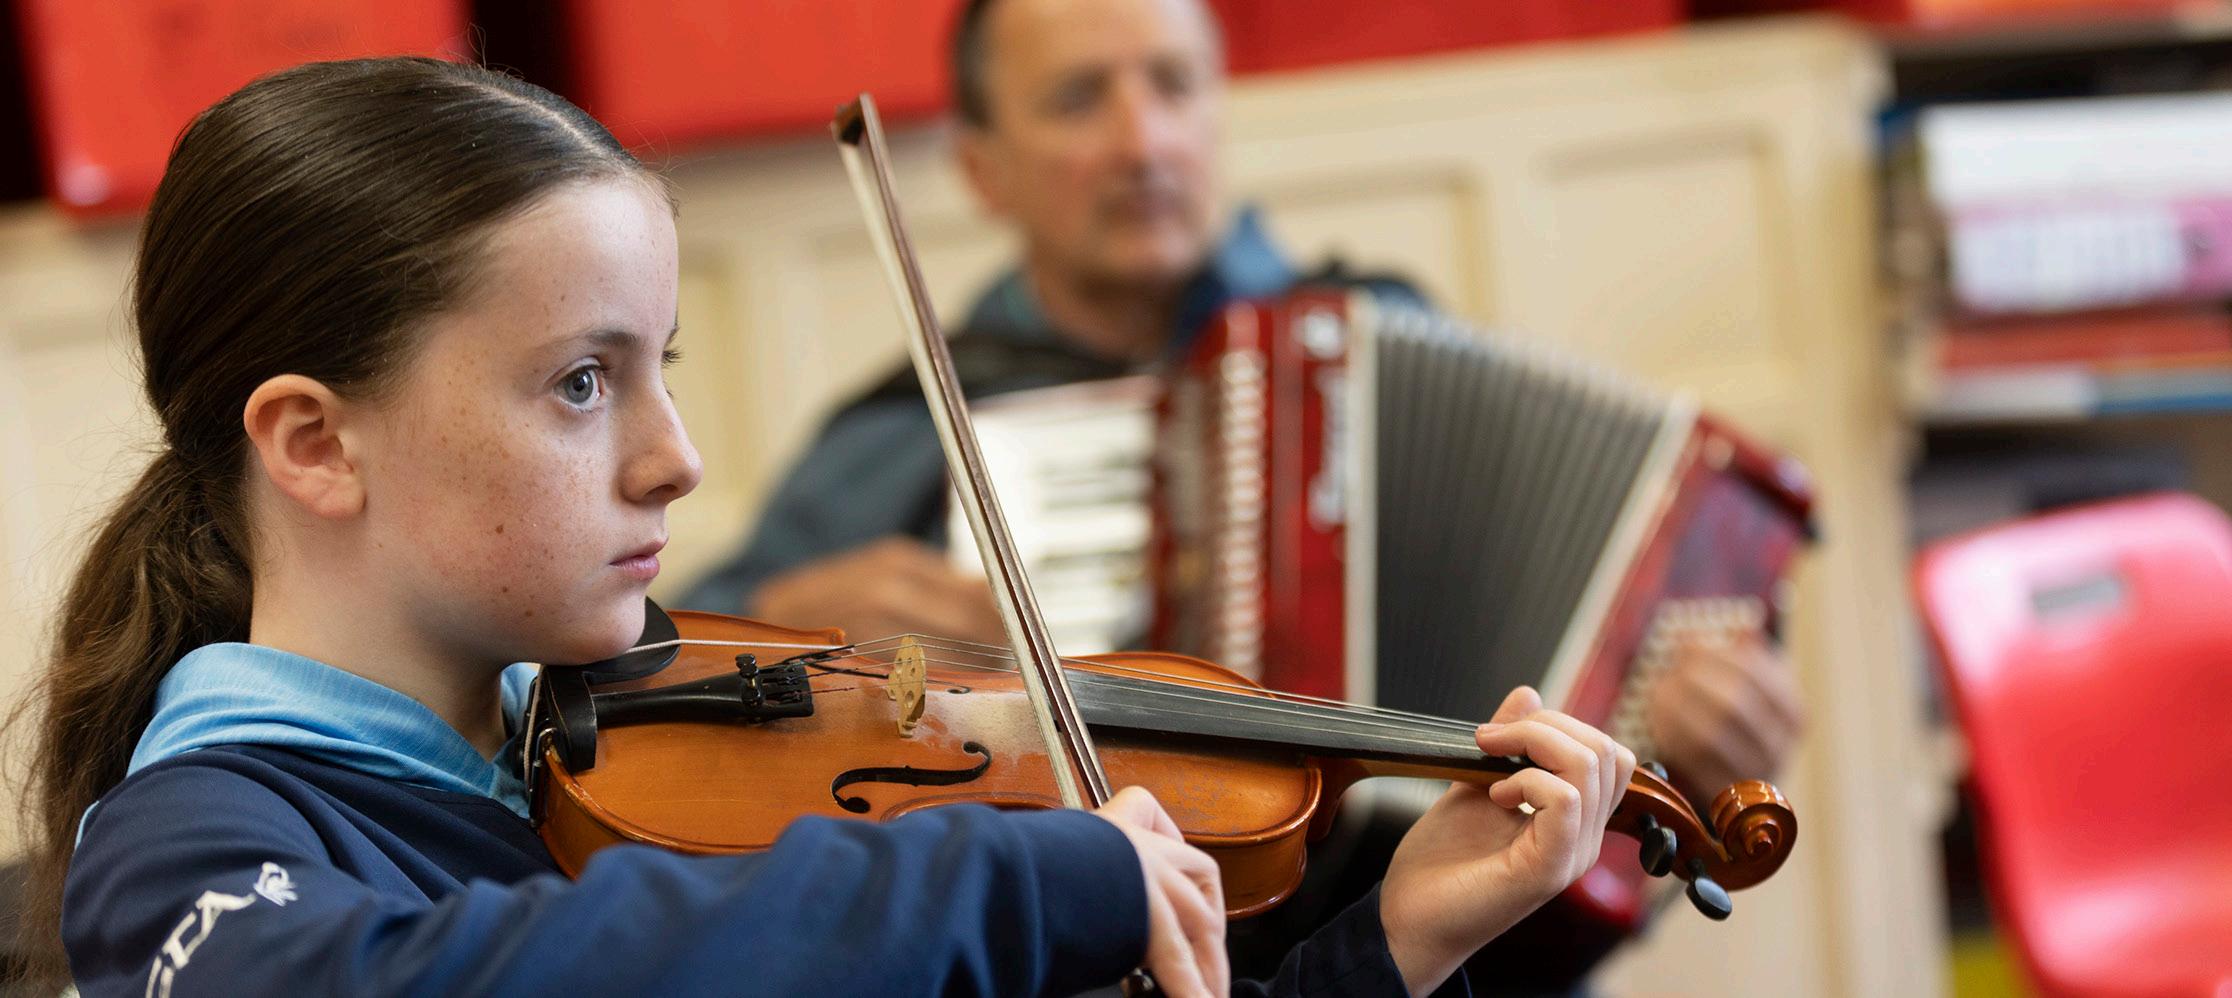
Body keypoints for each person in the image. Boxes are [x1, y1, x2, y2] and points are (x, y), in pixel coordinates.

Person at [15, 57, 1640, 998]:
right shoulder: (194, 848)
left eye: (660, 369)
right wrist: (1002, 874)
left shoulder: (628, 742)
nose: (677, 459)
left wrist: (1391, 945)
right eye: (581, 382)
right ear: (315, 443)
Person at [678, 0, 1801, 987]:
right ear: (982, 168)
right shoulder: (914, 425)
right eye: (1078, 99)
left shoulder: (1376, 326)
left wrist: (1682, 722)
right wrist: (804, 630)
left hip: (1457, 957)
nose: (1143, 140)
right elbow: (671, 673)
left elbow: (1572, 634)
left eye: (1173, 85)